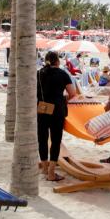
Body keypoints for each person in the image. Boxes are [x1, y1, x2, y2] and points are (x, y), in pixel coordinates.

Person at [36, 50, 78, 182]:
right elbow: (72, 93)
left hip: (42, 108)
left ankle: (44, 168)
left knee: (42, 138)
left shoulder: (38, 73)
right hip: (57, 110)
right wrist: (63, 98)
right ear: (58, 61)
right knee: (55, 141)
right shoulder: (62, 74)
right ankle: (51, 172)